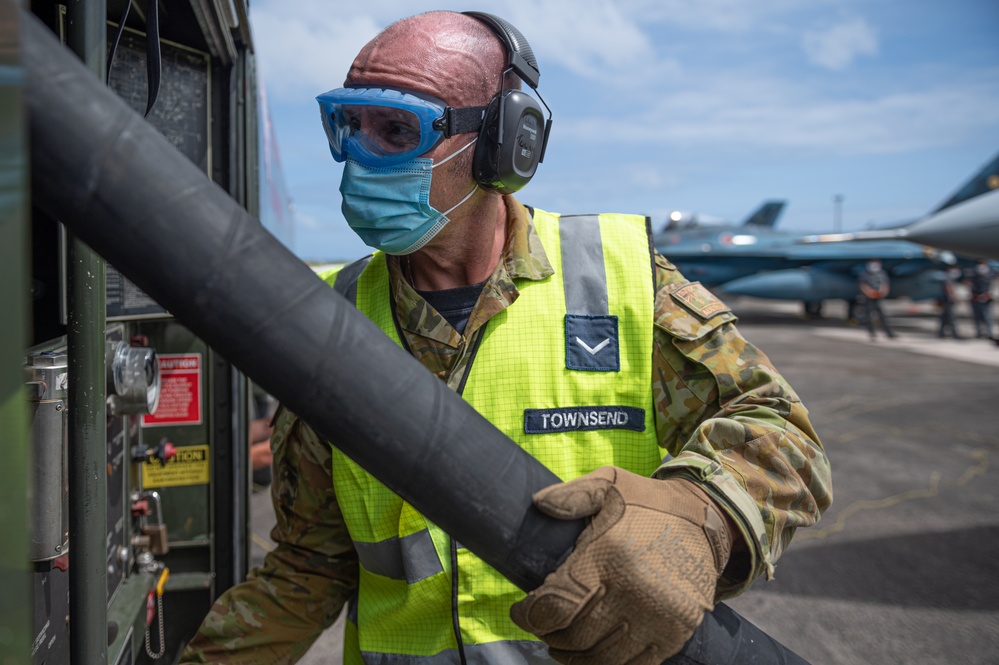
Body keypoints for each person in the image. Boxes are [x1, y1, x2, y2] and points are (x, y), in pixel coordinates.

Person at [181, 11, 831, 665]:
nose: (359, 154)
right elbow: (308, 564)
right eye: (348, 124)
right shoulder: (331, 318)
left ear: (504, 143)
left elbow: (776, 428)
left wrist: (699, 512)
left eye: (397, 129)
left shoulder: (617, 276)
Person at [857, 259, 896, 340]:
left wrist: (883, 292)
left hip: (878, 297)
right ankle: (871, 332)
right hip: (868, 297)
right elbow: (863, 285)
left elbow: (885, 284)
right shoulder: (865, 274)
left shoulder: (882, 273)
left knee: (881, 315)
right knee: (868, 315)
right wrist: (869, 293)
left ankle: (888, 333)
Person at [966, 259, 995, 340]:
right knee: (977, 317)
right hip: (975, 298)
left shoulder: (989, 274)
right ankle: (979, 333)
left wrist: (987, 295)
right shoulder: (973, 275)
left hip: (985, 299)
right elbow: (969, 285)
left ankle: (989, 333)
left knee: (987, 317)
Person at [938, 266, 965, 339]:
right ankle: (955, 334)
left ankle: (941, 333)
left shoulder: (949, 277)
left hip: (947, 300)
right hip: (948, 300)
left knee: (945, 317)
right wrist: (952, 297)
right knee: (951, 317)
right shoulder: (947, 277)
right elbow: (948, 288)